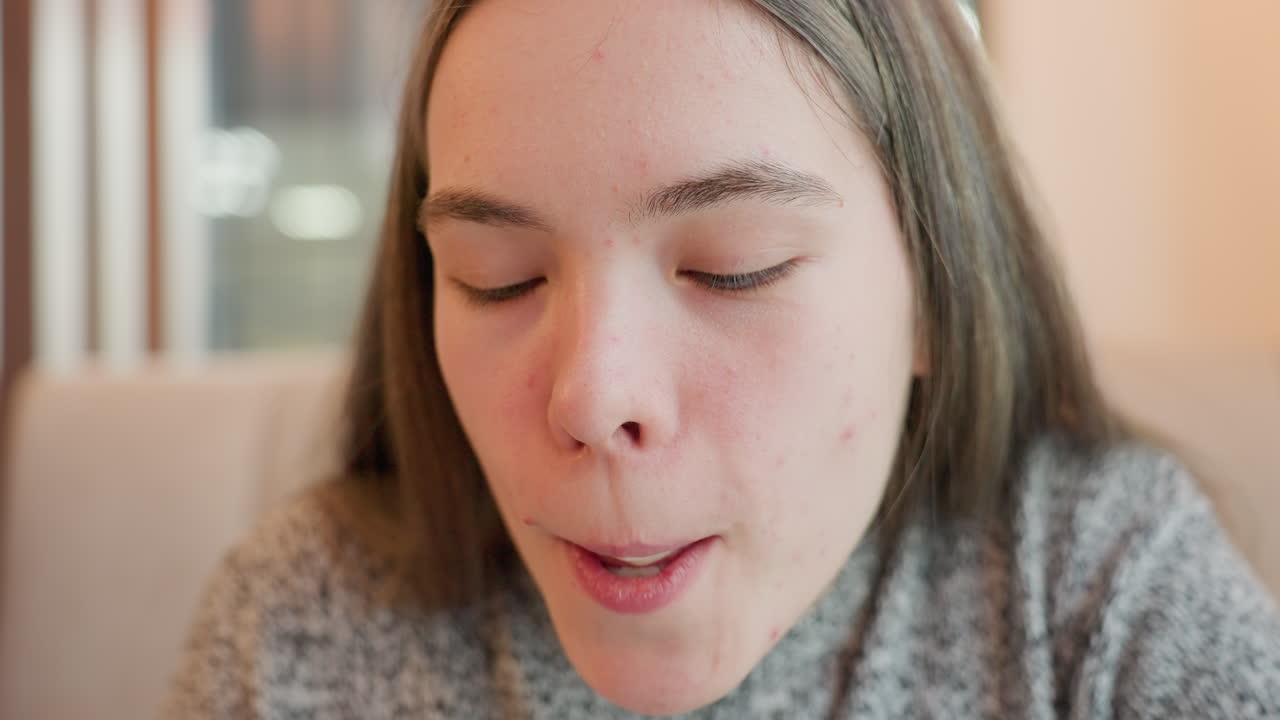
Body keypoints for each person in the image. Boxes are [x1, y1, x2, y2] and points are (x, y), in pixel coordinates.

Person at [161, 0, 1280, 717]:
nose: (594, 397)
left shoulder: (1095, 592)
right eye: (496, 274)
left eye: (732, 269)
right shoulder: (295, 633)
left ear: (936, 290)